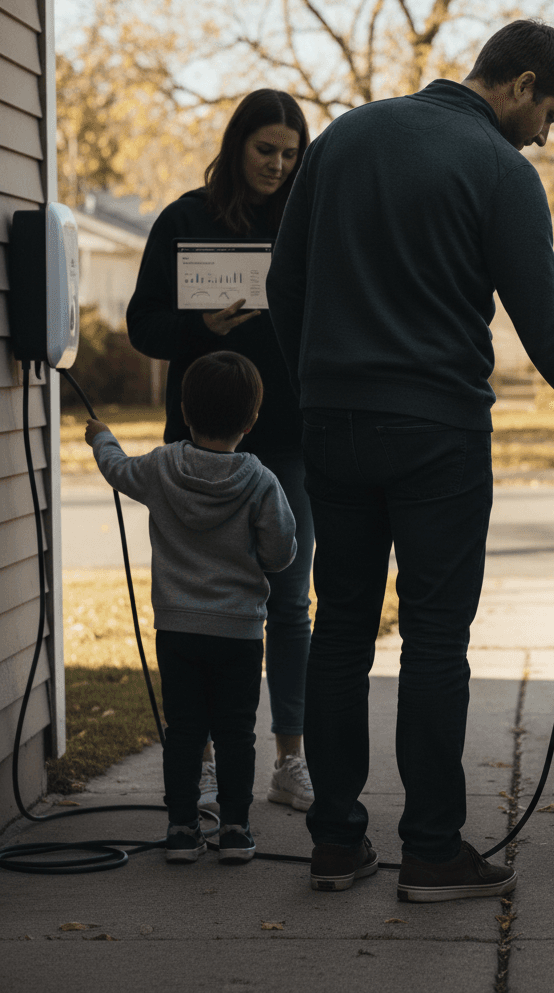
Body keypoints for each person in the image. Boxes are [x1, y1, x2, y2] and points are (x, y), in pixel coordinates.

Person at [266, 19, 554, 902]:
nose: (547, 133)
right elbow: (549, 330)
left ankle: (337, 843)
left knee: (338, 629)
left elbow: (285, 284)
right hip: (437, 437)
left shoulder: (345, 137)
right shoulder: (500, 171)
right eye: (552, 114)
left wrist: (318, 384)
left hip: (334, 425)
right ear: (522, 82)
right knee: (433, 639)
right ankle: (430, 850)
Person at [127, 90, 316, 813]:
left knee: (290, 599)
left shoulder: (307, 224)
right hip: (200, 443)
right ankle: (200, 759)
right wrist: (199, 324)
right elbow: (143, 325)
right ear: (237, 145)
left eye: (289, 153)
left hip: (290, 438)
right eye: (265, 149)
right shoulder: (186, 219)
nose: (277, 164)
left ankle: (289, 760)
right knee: (192, 603)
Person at [85, 352, 298, 863]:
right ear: (251, 421)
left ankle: (181, 830)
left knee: (184, 731)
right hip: (240, 633)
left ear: (183, 409)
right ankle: (236, 830)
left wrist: (101, 436)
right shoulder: (261, 481)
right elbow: (281, 554)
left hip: (178, 629)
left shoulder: (162, 467)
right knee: (235, 733)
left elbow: (117, 470)